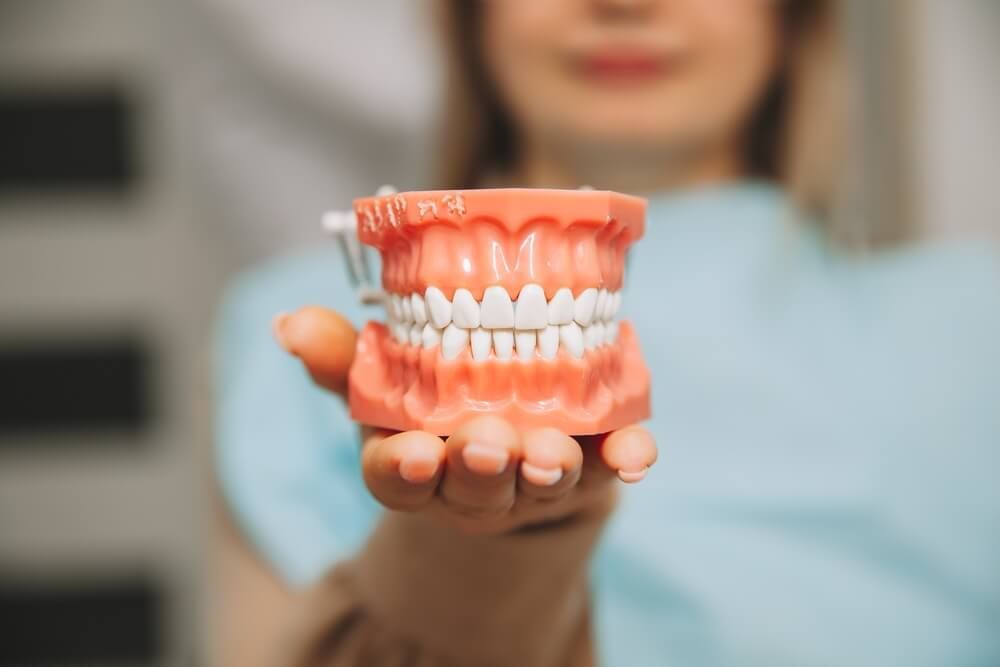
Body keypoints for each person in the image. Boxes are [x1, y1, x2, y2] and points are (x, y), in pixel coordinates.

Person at [212, 1, 1000, 665]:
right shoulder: (303, 330)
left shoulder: (976, 327)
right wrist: (472, 559)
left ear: (790, 17)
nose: (624, 2)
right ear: (469, 16)